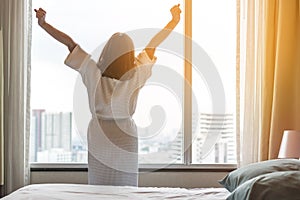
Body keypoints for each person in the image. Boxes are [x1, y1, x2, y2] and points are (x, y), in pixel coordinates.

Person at [35, 4, 181, 186]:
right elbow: (153, 44)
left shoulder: (93, 72)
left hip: (99, 134)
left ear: (107, 52)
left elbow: (70, 43)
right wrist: (173, 21)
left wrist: (43, 24)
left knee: (99, 184)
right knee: (126, 185)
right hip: (126, 134)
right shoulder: (136, 74)